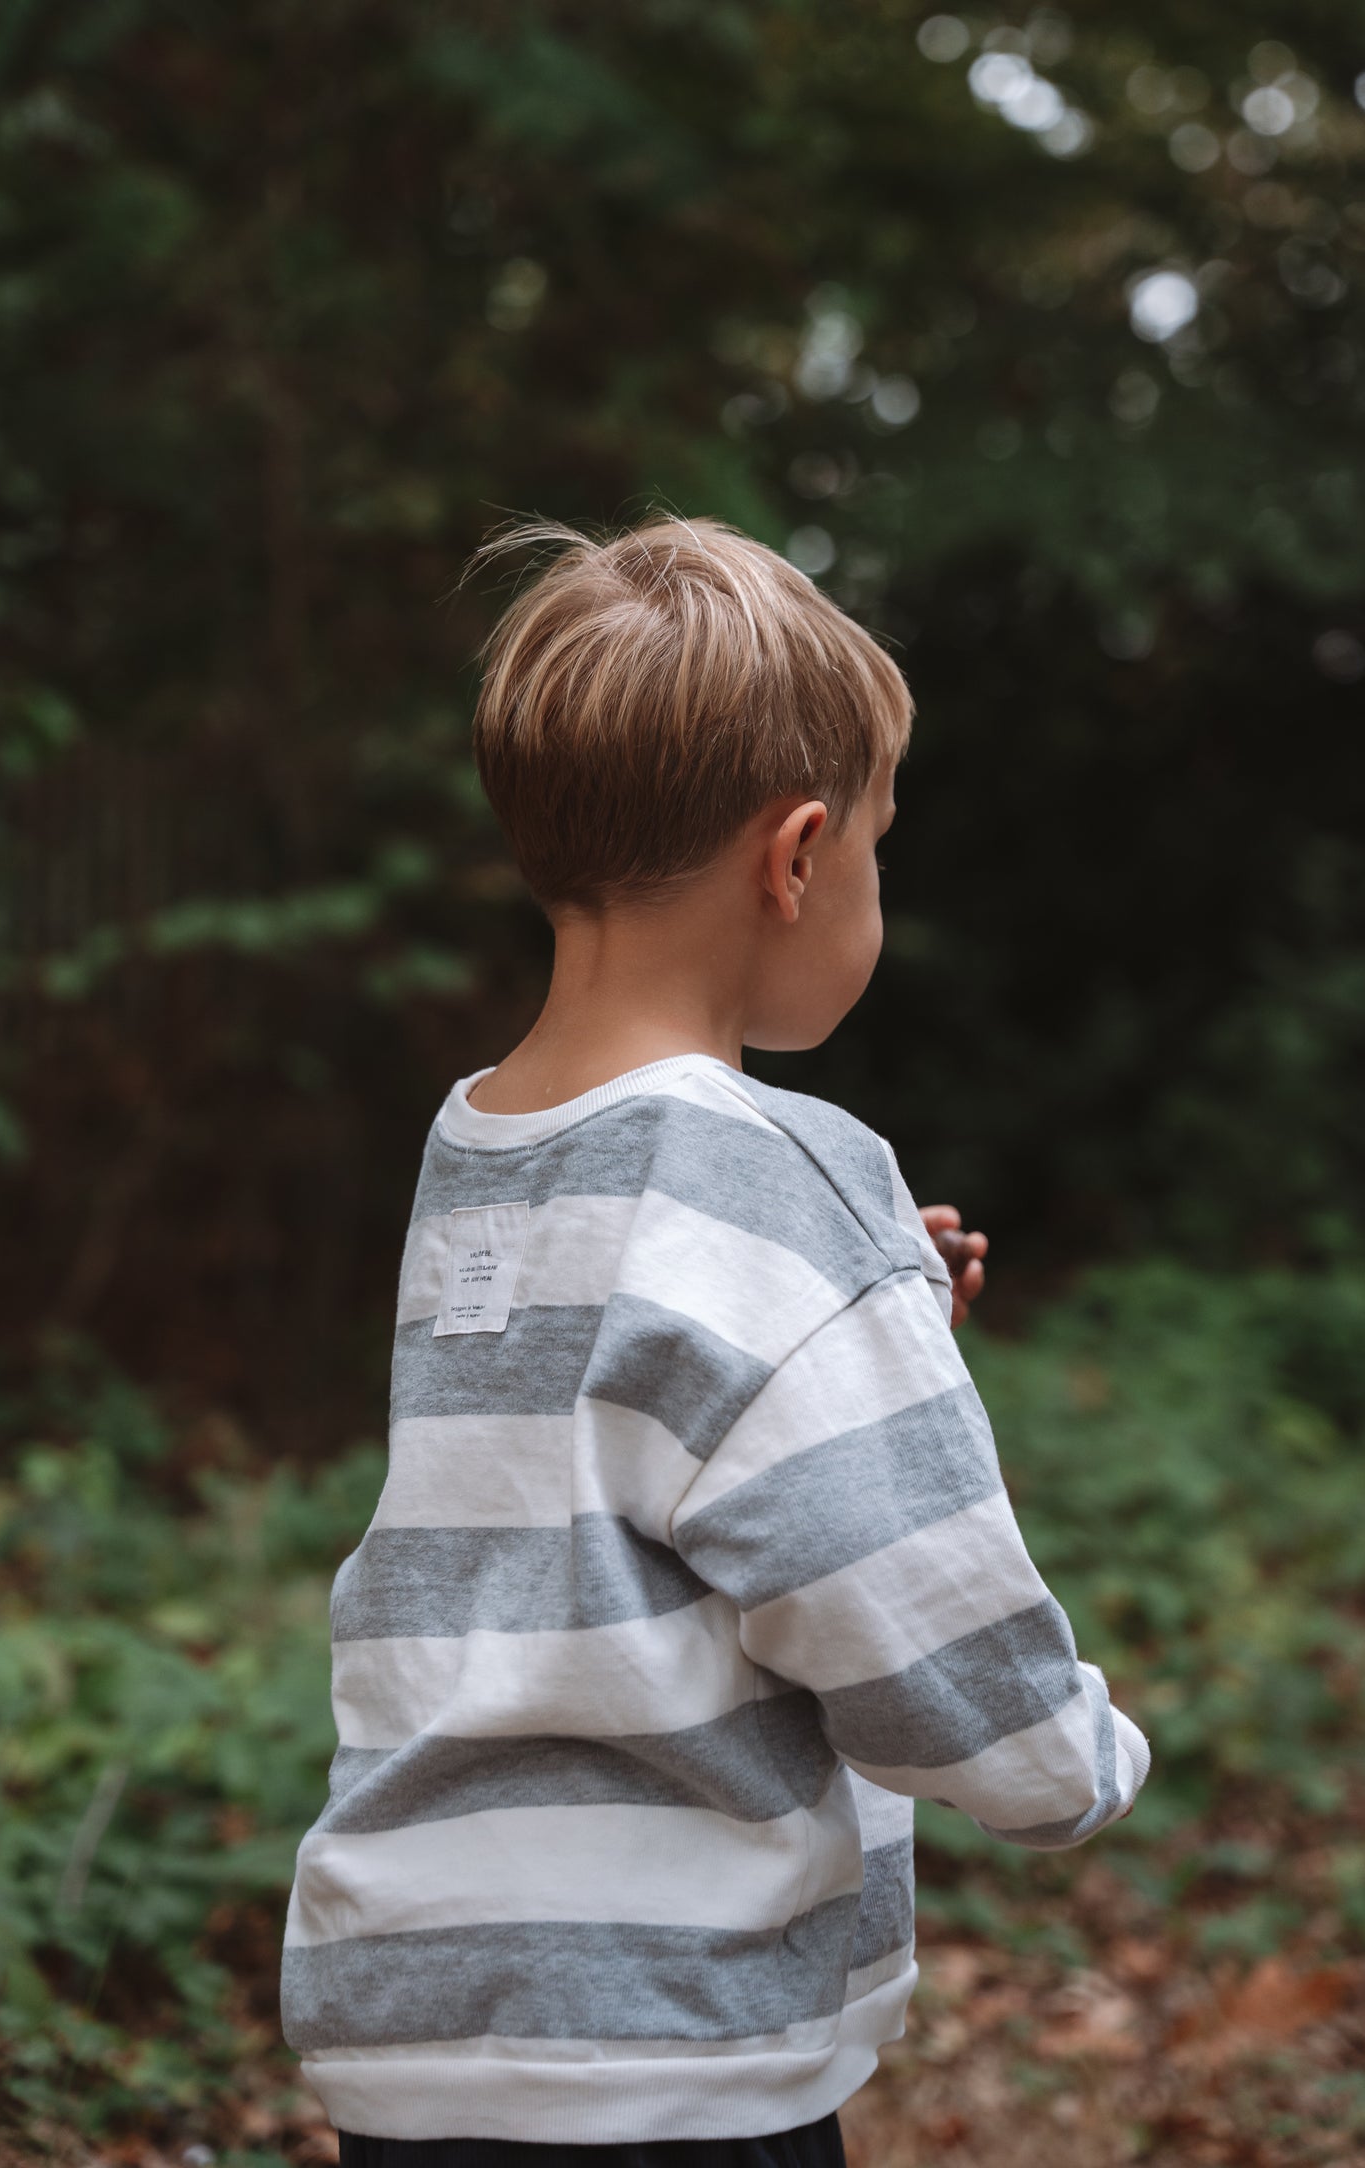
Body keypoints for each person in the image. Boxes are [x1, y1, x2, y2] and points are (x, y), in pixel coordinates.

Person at [280, 516, 1150, 2168]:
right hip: (659, 2051)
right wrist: (1064, 1760)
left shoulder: (477, 1150)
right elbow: (891, 1585)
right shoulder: (787, 1168)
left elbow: (636, 1440)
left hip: (415, 2025)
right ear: (799, 855)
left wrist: (866, 1308)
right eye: (882, 847)